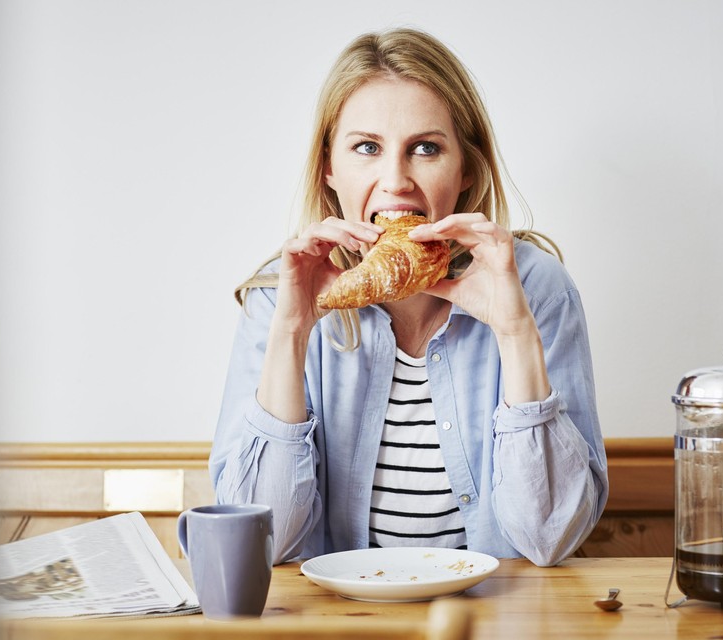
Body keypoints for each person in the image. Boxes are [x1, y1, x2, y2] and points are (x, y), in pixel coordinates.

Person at [209, 27, 607, 567]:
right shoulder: (283, 292)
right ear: (329, 167)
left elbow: (549, 539)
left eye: (425, 148)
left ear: (466, 168)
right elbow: (265, 542)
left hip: (494, 626)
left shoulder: (534, 286)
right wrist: (292, 332)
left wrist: (515, 334)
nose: (395, 180)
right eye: (366, 148)